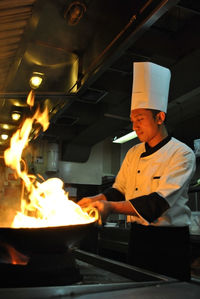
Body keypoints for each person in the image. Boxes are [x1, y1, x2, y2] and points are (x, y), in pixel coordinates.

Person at [78, 62, 196, 281]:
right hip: (139, 239)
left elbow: (156, 204)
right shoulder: (133, 152)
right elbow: (120, 190)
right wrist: (95, 199)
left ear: (159, 118)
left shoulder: (182, 154)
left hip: (169, 243)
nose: (135, 126)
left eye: (140, 119)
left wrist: (109, 207)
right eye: (132, 121)